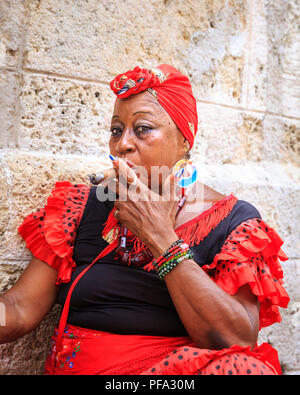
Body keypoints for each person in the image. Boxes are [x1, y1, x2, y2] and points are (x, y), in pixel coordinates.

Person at [0, 64, 290, 375]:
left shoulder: (234, 221)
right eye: (116, 130)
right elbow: (19, 309)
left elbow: (237, 339)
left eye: (142, 129)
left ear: (184, 140)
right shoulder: (82, 206)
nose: (122, 143)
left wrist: (160, 238)